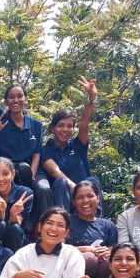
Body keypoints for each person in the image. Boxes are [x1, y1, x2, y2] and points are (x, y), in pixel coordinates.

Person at [0, 84, 44, 200]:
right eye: (11, 97)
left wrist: (32, 176)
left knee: (26, 171)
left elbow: (37, 153)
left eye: (20, 96)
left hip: (27, 171)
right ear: (6, 101)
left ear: (25, 99)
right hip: (6, 172)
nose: (16, 100)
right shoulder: (0, 124)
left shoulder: (37, 125)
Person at [40, 77, 101, 213]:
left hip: (86, 199)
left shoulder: (77, 145)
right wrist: (76, 188)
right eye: (61, 125)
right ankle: (64, 222)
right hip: (65, 199)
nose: (65, 130)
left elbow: (84, 124)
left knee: (93, 180)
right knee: (60, 182)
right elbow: (54, 171)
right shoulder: (45, 151)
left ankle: (97, 218)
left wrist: (92, 99)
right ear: (52, 128)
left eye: (69, 126)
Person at [0, 157, 34, 252]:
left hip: (18, 238)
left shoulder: (25, 193)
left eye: (5, 174)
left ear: (13, 174)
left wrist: (13, 215)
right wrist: (1, 211)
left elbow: (17, 224)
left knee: (14, 228)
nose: (1, 179)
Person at [68, 180, 116, 278]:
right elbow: (57, 248)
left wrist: (108, 251)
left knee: (108, 263)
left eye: (90, 196)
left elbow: (114, 249)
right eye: (80, 197)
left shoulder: (108, 225)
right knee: (90, 258)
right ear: (74, 201)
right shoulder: (66, 221)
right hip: (71, 272)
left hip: (102, 274)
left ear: (98, 198)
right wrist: (87, 249)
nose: (85, 201)